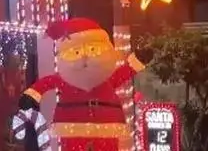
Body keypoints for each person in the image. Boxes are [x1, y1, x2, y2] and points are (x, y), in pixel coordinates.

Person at [17, 18, 147, 151]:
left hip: (105, 126)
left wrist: (138, 60)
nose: (85, 58)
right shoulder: (66, 80)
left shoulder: (105, 79)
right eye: (77, 52)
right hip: (75, 127)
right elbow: (47, 82)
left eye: (92, 50)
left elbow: (122, 74)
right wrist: (32, 95)